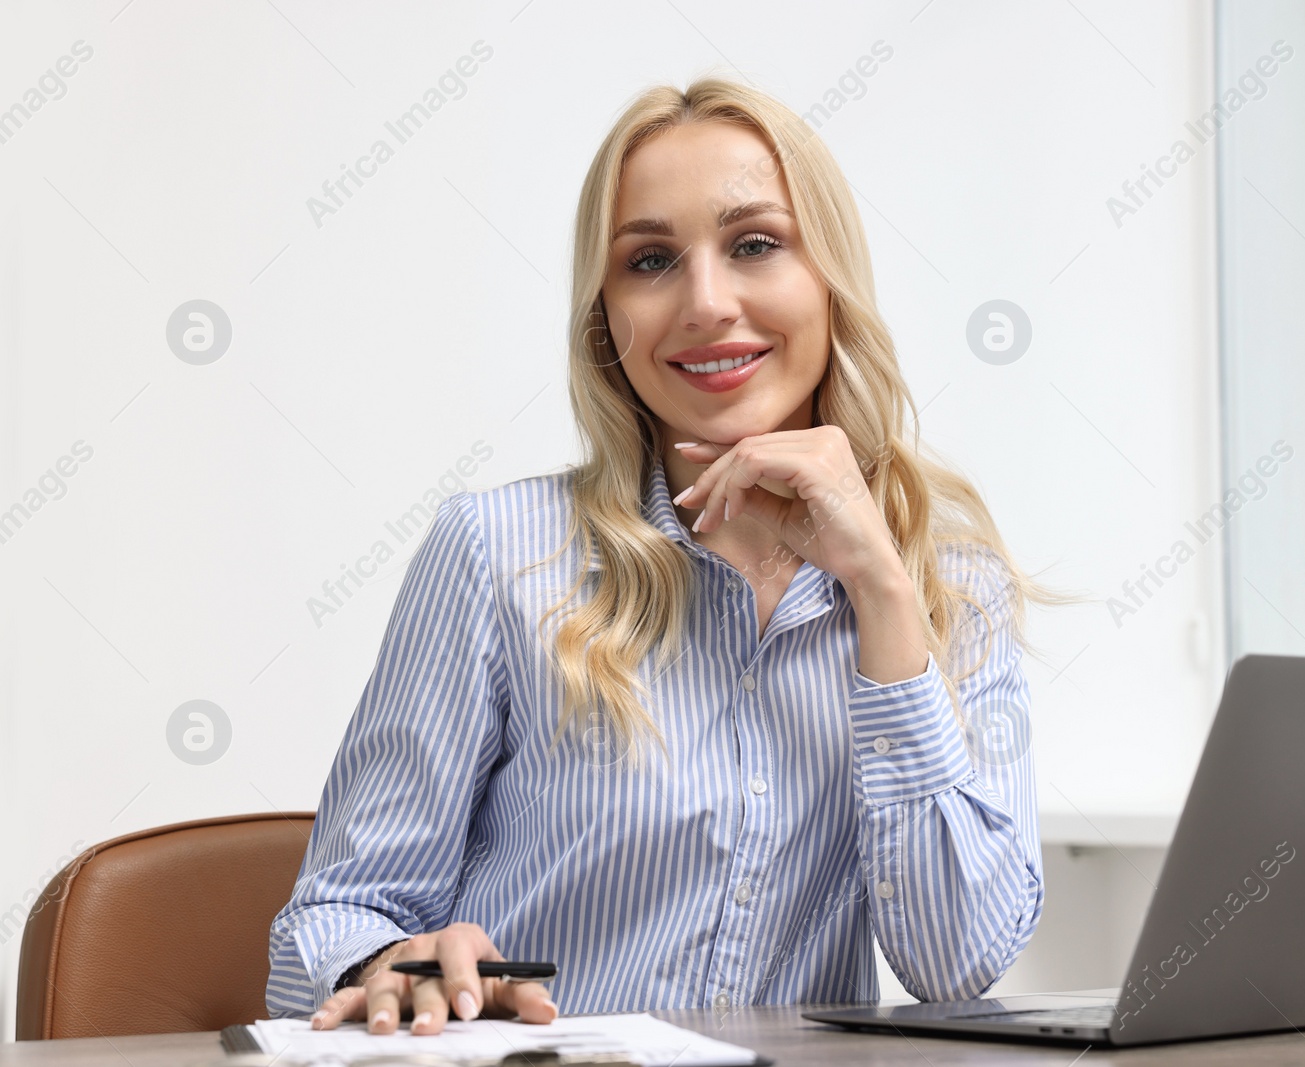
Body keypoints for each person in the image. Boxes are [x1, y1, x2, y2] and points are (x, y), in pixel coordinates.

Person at [266, 73, 1079, 1036]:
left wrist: (880, 591)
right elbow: (326, 920)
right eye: (649, 260)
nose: (705, 302)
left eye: (755, 245)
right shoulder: (498, 555)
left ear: (829, 278)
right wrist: (386, 962)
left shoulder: (946, 580)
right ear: (606, 314)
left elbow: (960, 963)